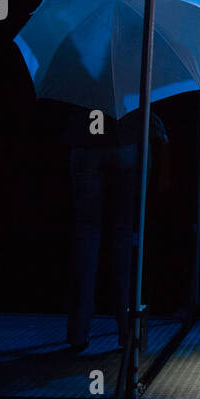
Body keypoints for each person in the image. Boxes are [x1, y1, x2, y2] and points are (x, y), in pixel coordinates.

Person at [63, 105, 169, 352]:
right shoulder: (130, 65)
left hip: (85, 140)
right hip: (127, 138)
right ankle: (127, 329)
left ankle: (79, 330)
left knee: (87, 234)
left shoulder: (77, 66)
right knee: (123, 236)